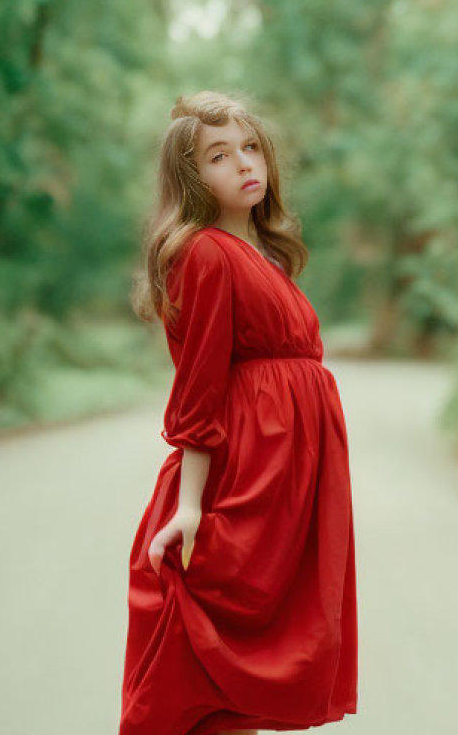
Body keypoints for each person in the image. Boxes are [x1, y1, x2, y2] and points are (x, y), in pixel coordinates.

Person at [120, 90, 358, 735]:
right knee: (218, 656)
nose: (244, 164)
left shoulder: (264, 254)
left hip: (290, 473)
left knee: (256, 662)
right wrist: (190, 506)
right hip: (248, 468)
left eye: (251, 147)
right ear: (193, 178)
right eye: (220, 156)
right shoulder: (205, 253)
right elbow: (200, 385)